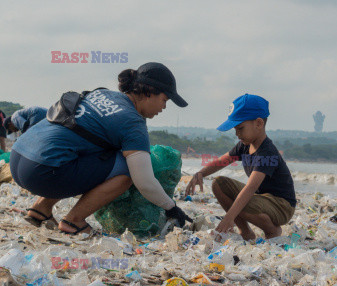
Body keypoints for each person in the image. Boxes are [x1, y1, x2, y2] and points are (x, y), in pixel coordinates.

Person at [10, 62, 192, 235]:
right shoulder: (133, 122)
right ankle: (74, 221)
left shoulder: (101, 94)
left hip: (18, 158)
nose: (164, 107)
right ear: (149, 92)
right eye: (165, 100)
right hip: (43, 173)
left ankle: (40, 209)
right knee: (127, 169)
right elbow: (144, 181)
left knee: (92, 151)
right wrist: (171, 207)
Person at [186, 94, 297, 240]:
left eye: (240, 128)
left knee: (242, 201)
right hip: (262, 199)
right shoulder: (244, 145)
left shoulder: (267, 152)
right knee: (219, 183)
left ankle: (272, 230)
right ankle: (245, 232)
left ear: (258, 123)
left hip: (282, 206)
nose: (237, 134)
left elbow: (250, 187)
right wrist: (200, 173)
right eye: (235, 130)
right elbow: (221, 162)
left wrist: (228, 219)